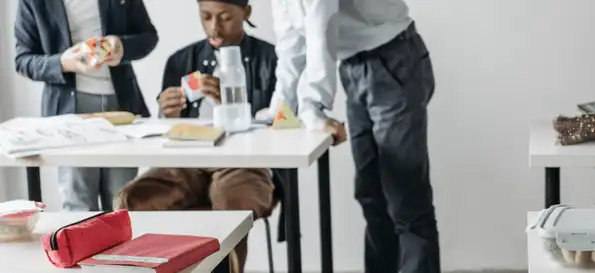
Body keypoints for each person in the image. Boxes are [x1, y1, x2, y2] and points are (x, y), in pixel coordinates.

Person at [112, 0, 286, 271]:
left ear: (247, 13)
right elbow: (166, 135)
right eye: (205, 17)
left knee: (232, 203)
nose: (214, 27)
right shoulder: (180, 60)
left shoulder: (273, 59)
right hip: (186, 163)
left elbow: (285, 124)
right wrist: (167, 115)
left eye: (225, 17)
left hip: (245, 163)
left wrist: (233, 105)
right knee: (132, 199)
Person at [268, 0, 440, 272]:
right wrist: (280, 108)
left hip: (392, 58)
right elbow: (291, 39)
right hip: (354, 67)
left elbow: (320, 23)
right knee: (371, 197)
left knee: (405, 200)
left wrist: (313, 105)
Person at [14, 0, 158, 211]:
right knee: (78, 204)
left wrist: (122, 46)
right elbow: (23, 60)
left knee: (122, 202)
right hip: (69, 113)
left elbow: (149, 37)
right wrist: (63, 63)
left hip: (121, 109)